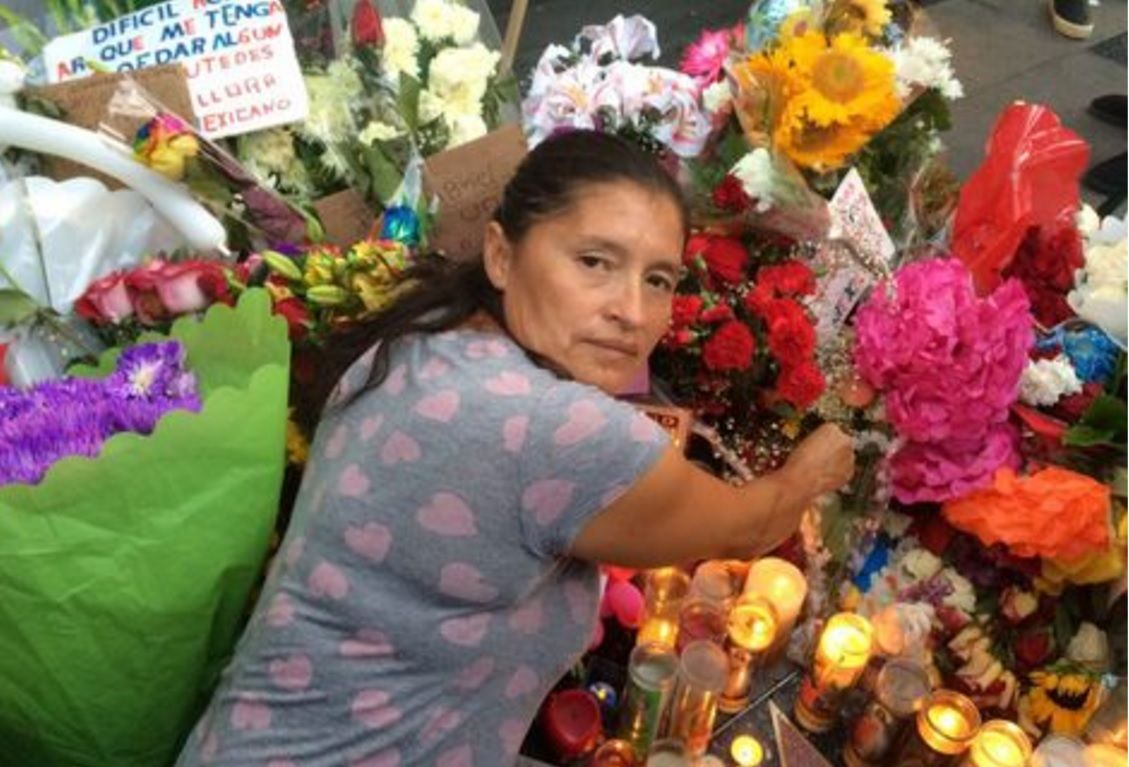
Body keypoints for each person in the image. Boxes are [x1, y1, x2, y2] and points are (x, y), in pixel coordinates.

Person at [176, 130, 855, 766]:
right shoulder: (557, 430)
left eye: (658, 280)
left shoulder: (423, 336)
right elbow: (748, 524)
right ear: (501, 255)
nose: (631, 311)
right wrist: (814, 466)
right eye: (594, 262)